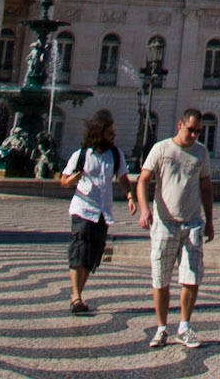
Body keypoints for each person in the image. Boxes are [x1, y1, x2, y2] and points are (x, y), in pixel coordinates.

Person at [137, 107, 214, 350]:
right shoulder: (162, 149)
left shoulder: (201, 152)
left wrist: (210, 220)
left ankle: (184, 326)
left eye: (198, 132)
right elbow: (142, 180)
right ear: (180, 125)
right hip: (164, 222)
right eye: (191, 130)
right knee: (161, 278)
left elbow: (206, 187)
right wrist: (144, 209)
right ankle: (161, 328)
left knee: (191, 277)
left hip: (192, 223)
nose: (194, 136)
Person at [60, 109, 133, 315]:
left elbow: (123, 179)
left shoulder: (115, 155)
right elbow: (63, 180)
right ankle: (76, 296)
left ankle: (78, 295)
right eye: (110, 133)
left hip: (102, 213)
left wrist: (130, 197)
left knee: (92, 254)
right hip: (82, 210)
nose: (113, 136)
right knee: (79, 251)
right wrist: (71, 180)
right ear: (99, 133)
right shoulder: (81, 155)